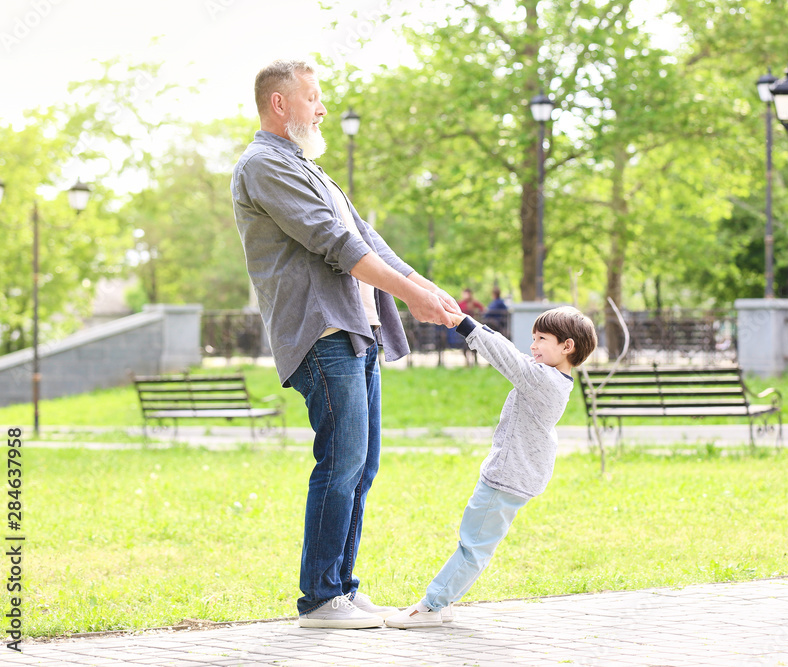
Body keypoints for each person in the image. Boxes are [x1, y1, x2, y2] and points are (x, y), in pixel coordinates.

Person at [231, 59, 459, 630]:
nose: (322, 107)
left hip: (358, 330)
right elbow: (333, 242)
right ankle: (320, 599)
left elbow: (367, 238)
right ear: (279, 104)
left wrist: (425, 289)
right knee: (340, 461)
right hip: (321, 333)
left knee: (362, 464)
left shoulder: (310, 169)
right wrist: (410, 295)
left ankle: (342, 586)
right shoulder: (262, 165)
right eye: (312, 97)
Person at [385, 306, 598, 629]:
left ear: (567, 346)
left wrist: (464, 324)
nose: (533, 345)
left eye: (541, 338)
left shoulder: (544, 380)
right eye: (533, 338)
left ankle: (431, 607)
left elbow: (504, 357)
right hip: (512, 476)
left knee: (473, 545)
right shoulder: (551, 376)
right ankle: (444, 601)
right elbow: (509, 351)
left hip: (506, 479)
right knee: (475, 541)